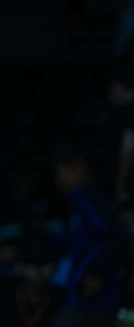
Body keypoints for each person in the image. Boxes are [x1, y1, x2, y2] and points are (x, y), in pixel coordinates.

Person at [51, 140, 128, 327]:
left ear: (78, 168)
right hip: (77, 298)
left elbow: (114, 236)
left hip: (95, 301)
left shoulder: (92, 202)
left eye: (62, 172)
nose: (59, 181)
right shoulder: (77, 205)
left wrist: (96, 270)